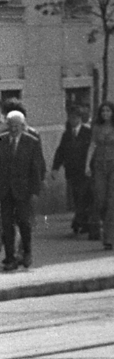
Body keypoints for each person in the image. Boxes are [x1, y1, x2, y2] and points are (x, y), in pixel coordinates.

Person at [0, 108, 45, 269]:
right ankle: (10, 258)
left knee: (24, 223)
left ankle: (26, 252)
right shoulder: (2, 140)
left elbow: (37, 168)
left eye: (17, 126)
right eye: (11, 125)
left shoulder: (31, 142)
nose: (13, 129)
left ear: (22, 125)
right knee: (6, 224)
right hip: (4, 190)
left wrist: (34, 191)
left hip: (24, 191)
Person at [87, 102, 114, 250]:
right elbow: (92, 145)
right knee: (100, 198)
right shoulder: (96, 127)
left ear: (113, 112)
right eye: (103, 111)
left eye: (108, 111)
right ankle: (105, 226)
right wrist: (87, 165)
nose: (105, 113)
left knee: (112, 200)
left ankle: (108, 238)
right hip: (99, 165)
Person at [51, 105, 93, 234]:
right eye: (70, 118)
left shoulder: (87, 132)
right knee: (76, 196)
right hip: (71, 171)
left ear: (80, 118)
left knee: (83, 195)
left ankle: (80, 220)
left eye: (75, 117)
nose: (72, 120)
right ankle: (81, 220)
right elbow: (61, 151)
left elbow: (91, 151)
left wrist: (90, 166)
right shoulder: (67, 134)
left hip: (84, 170)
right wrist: (55, 168)